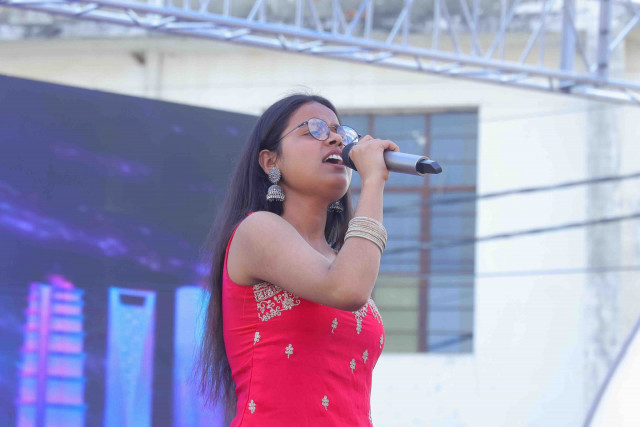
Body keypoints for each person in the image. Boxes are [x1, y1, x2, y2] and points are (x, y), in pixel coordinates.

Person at [198, 93, 399, 426]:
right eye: (313, 130)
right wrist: (374, 181)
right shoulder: (257, 230)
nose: (335, 140)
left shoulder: (342, 260)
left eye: (339, 132)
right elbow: (347, 290)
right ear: (270, 162)